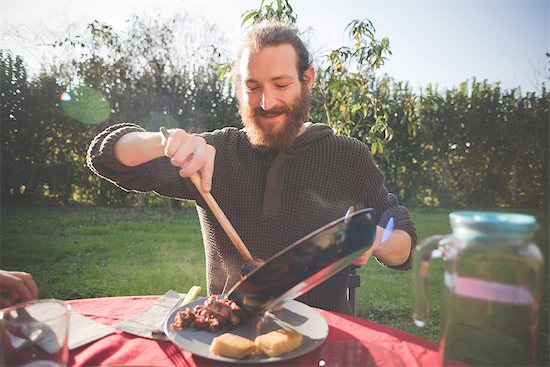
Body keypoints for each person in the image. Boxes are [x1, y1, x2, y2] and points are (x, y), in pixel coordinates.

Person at [87, 22, 416, 315]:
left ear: (307, 79)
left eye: (281, 84)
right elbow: (105, 157)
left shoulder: (348, 157)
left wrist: (378, 240)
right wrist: (165, 142)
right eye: (252, 86)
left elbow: (404, 245)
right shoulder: (213, 154)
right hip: (231, 335)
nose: (266, 102)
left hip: (328, 339)